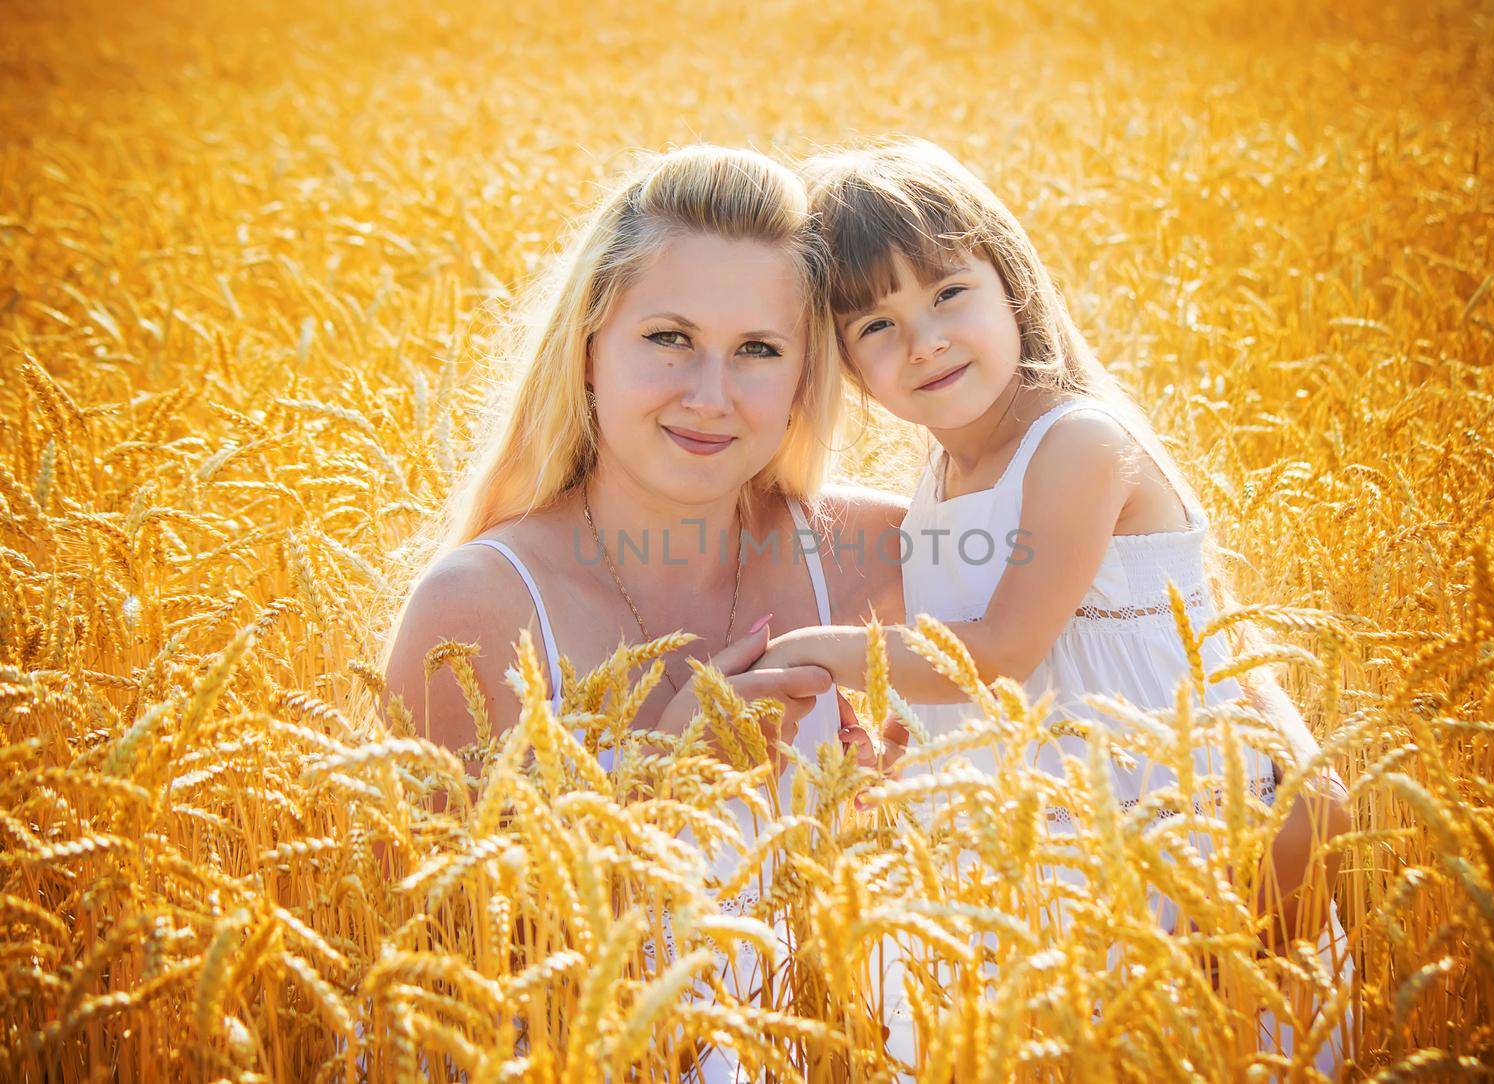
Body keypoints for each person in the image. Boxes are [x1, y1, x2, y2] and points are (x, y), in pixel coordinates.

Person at [748, 137, 1353, 1071]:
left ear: (1011, 283)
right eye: (876, 326)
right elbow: (962, 689)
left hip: (1181, 840)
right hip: (1047, 863)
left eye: (949, 293)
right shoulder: (939, 480)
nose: (926, 341)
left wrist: (827, 653)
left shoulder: (1077, 441)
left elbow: (1001, 651)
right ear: (847, 367)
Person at [378, 144, 908, 1080]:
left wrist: (892, 825)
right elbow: (438, 988)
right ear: (588, 351)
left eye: (758, 351)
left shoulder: (879, 558)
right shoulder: (481, 611)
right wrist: (668, 786)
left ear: (799, 383)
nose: (710, 396)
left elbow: (1148, 657)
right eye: (669, 338)